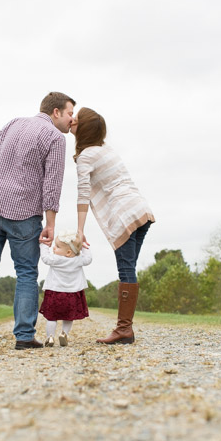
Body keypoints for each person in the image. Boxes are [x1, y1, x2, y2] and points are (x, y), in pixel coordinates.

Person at [0, 91, 76, 352]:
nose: (72, 120)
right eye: (70, 113)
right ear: (56, 112)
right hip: (24, 213)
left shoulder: (14, 123)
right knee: (26, 272)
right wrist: (51, 224)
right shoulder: (55, 138)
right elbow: (52, 183)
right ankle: (23, 335)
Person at [70, 107, 155, 345]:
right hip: (141, 210)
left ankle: (124, 330)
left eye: (76, 120)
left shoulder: (87, 156)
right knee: (130, 269)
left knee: (126, 270)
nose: (72, 121)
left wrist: (79, 229)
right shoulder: (106, 149)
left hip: (124, 214)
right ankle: (124, 328)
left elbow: (83, 194)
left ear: (84, 128)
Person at [39, 230, 92, 347]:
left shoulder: (55, 259)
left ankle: (50, 337)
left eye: (57, 246)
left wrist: (44, 245)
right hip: (72, 294)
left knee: (51, 317)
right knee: (68, 317)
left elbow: (45, 258)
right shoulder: (78, 260)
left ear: (68, 252)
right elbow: (88, 260)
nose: (54, 248)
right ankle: (64, 334)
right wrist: (84, 246)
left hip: (54, 293)